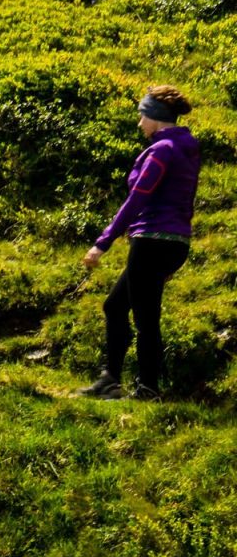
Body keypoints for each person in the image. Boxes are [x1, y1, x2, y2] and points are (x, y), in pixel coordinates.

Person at [77, 86, 201, 399]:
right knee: (115, 306)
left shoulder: (161, 151)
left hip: (151, 239)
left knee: (145, 317)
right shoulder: (187, 148)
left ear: (155, 118)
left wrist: (102, 243)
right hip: (175, 241)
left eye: (141, 116)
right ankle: (112, 379)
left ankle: (147, 388)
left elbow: (137, 200)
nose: (139, 124)